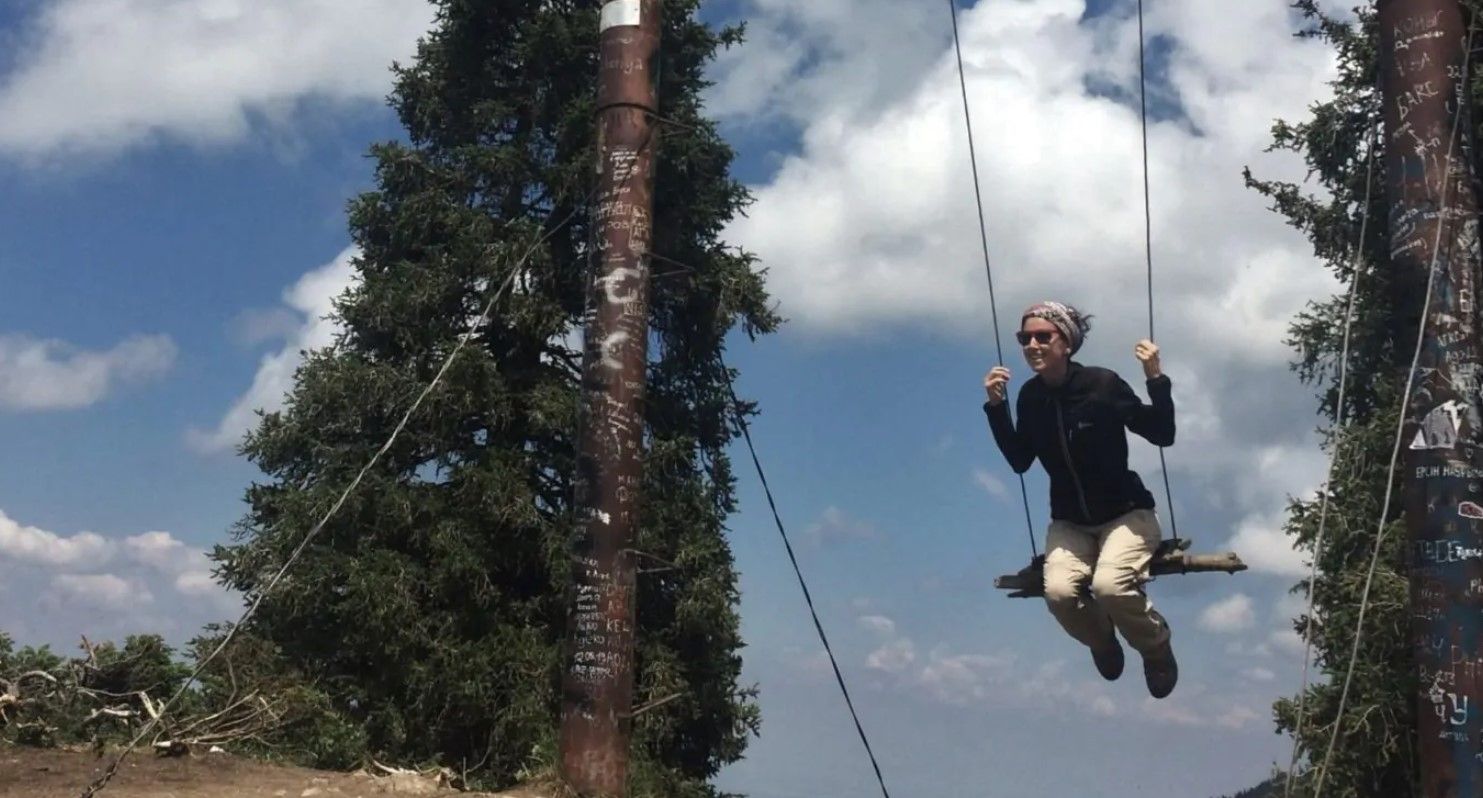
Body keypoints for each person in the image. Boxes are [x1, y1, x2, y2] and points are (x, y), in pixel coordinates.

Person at [982, 301, 1178, 699]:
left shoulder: (1101, 385)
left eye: (1042, 336)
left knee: (1109, 586)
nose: (1032, 345)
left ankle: (1156, 648)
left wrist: (1155, 378)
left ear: (1066, 343)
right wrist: (997, 408)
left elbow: (1162, 433)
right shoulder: (1031, 398)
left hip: (1127, 514)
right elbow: (1021, 460)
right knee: (1059, 594)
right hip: (1071, 521)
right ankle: (1102, 640)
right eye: (1025, 338)